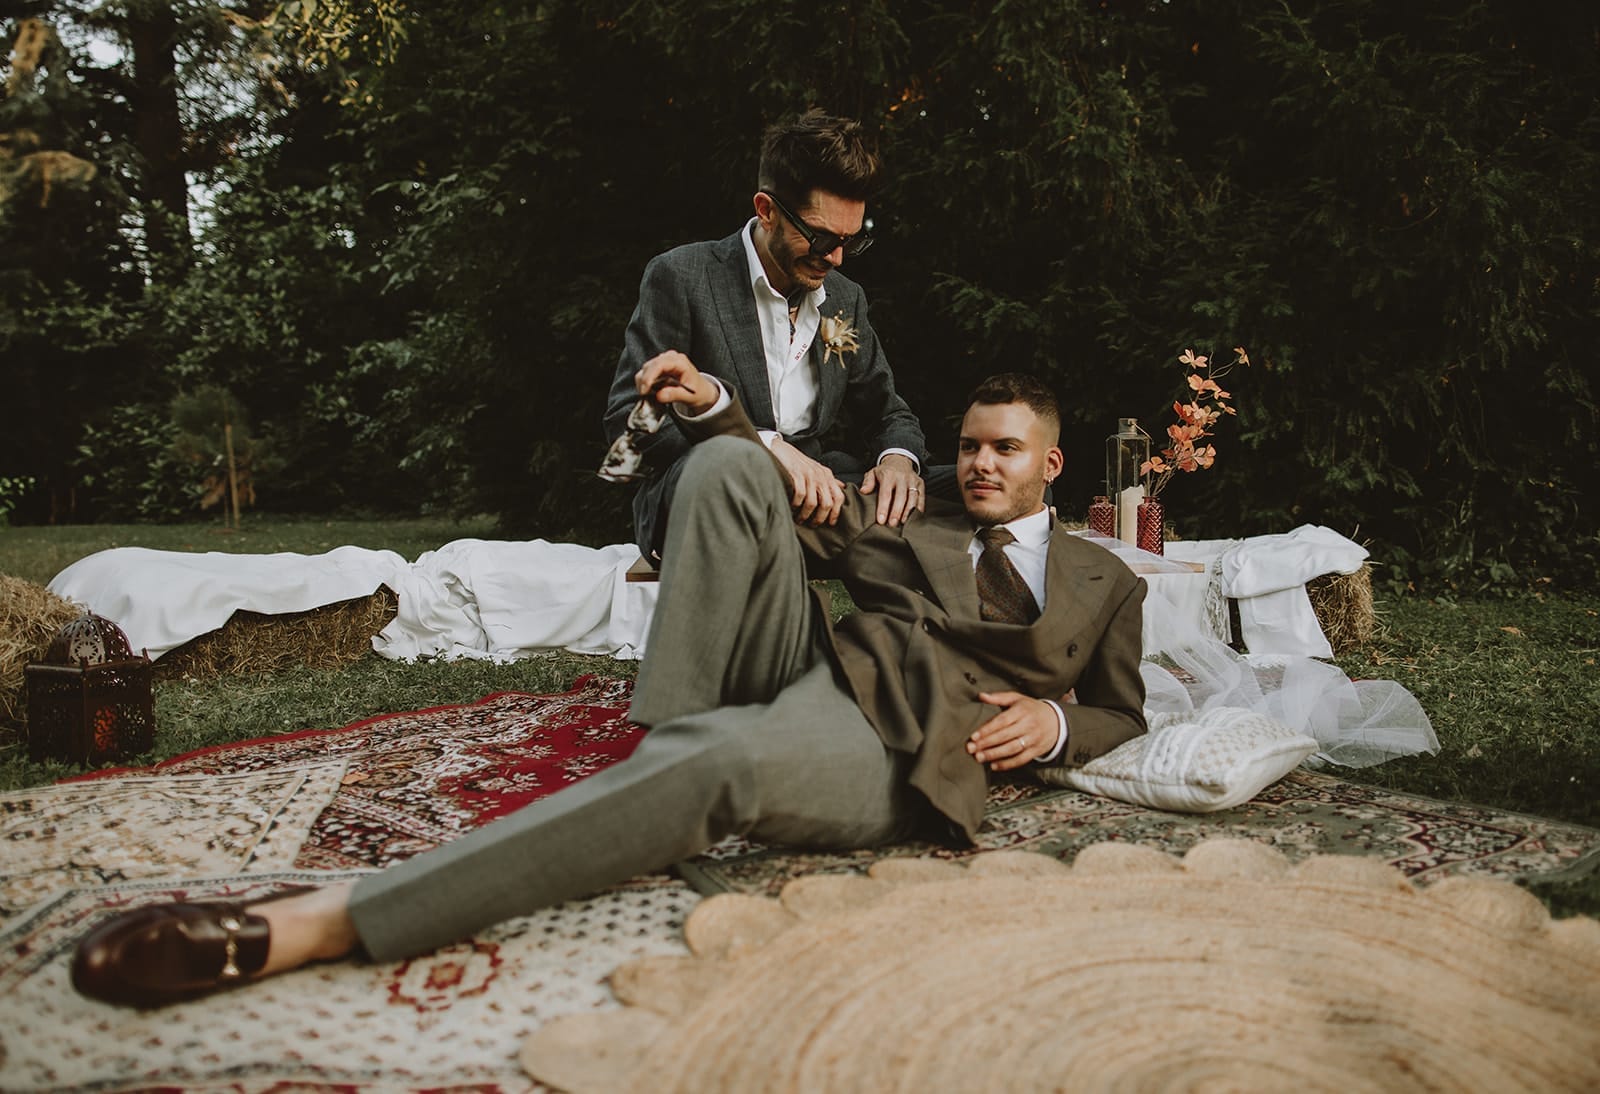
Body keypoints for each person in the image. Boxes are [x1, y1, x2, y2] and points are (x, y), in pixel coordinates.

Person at [71, 363, 1147, 1008]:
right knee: (729, 466)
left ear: (1052, 464)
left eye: (1004, 448)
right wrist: (716, 405)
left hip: (910, 749)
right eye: (967, 444)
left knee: (722, 763)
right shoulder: (913, 508)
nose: (981, 462)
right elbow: (771, 480)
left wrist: (1054, 721)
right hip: (832, 668)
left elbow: (1120, 712)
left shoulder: (1106, 577)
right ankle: (662, 751)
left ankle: (320, 923)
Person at [603, 109, 933, 562]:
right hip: (712, 488)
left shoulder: (844, 297)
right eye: (820, 239)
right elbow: (629, 421)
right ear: (767, 210)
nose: (836, 257)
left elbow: (888, 411)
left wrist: (897, 460)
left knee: (971, 487)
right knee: (738, 481)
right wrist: (760, 444)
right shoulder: (681, 277)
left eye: (851, 241)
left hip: (817, 492)